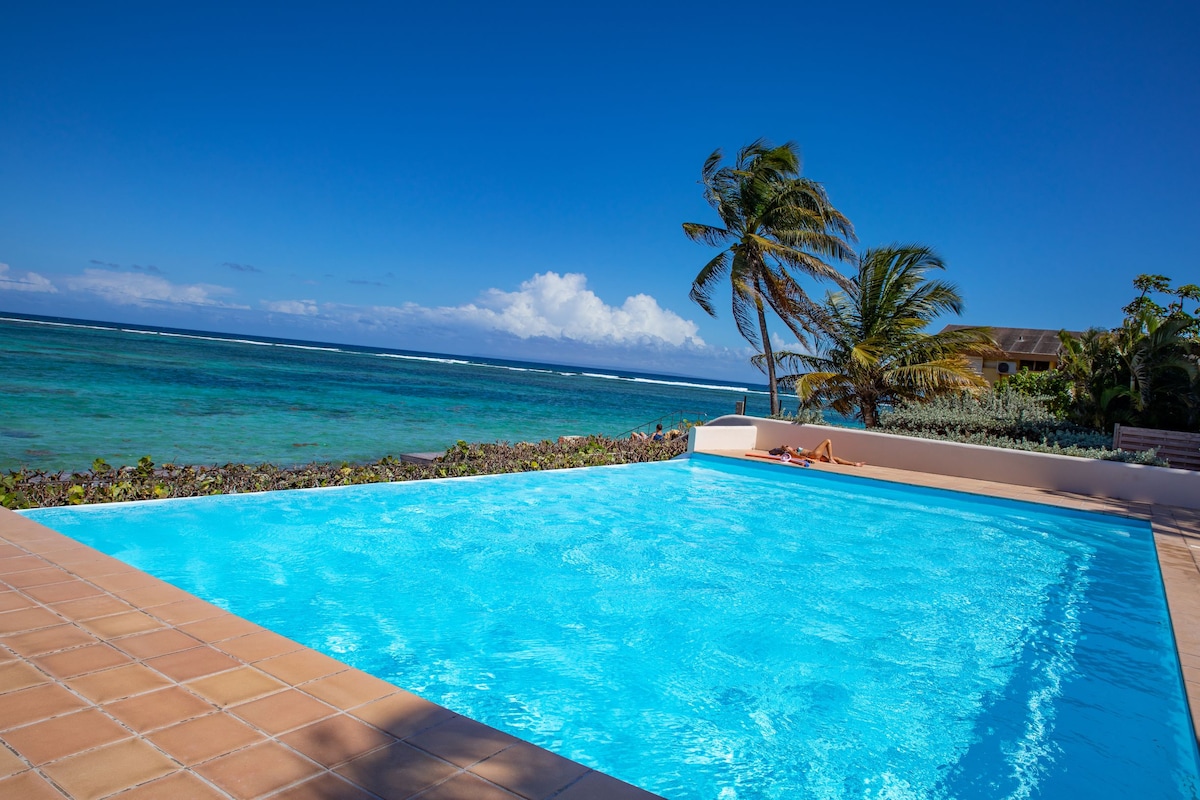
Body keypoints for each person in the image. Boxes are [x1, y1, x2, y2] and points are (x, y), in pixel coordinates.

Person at [768, 440, 864, 467]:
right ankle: (830, 458)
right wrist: (783, 448)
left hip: (815, 457)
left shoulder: (793, 450)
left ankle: (854, 464)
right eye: (787, 446)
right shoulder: (789, 452)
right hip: (813, 455)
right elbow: (797, 456)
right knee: (828, 441)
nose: (788, 445)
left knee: (837, 459)